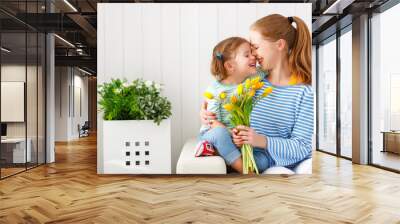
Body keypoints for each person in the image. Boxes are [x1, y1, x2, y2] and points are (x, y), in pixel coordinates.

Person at [200, 14, 314, 174]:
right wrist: (206, 114)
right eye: (249, 50)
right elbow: (221, 93)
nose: (252, 54)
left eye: (255, 47)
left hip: (284, 164)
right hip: (255, 162)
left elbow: (303, 147)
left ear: (279, 45)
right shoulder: (250, 82)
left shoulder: (305, 92)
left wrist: (261, 141)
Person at [197, 37, 264, 172]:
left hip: (238, 136)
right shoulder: (215, 90)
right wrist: (231, 133)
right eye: (247, 55)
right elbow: (212, 122)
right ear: (230, 66)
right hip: (215, 132)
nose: (253, 57)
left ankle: (222, 154)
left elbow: (272, 67)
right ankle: (246, 172)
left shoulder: (254, 78)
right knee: (220, 134)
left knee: (259, 157)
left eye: (252, 52)